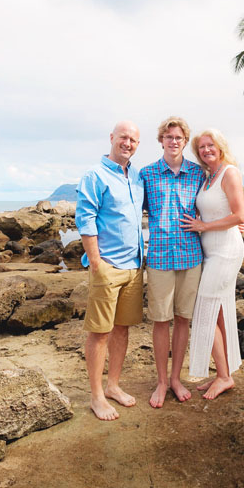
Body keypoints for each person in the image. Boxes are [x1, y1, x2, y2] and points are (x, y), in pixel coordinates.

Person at [75, 121, 144, 421]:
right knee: (100, 333)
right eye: (123, 138)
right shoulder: (95, 175)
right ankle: (97, 396)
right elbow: (86, 219)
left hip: (133, 267)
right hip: (107, 267)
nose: (127, 143)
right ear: (112, 138)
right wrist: (97, 264)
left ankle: (113, 385)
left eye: (133, 140)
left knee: (122, 329)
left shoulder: (137, 177)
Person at [139, 117, 205, 408]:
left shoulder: (197, 173)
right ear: (161, 141)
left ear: (184, 140)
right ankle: (162, 382)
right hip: (160, 259)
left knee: (183, 319)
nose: (174, 141)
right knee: (160, 320)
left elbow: (216, 204)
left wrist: (233, 225)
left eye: (178, 137)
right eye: (168, 137)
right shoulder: (147, 174)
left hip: (191, 256)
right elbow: (129, 209)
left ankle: (176, 378)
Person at [181, 128, 244, 400]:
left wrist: (205, 226)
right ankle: (225, 372)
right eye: (201, 147)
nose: (206, 150)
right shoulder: (208, 177)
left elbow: (239, 214)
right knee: (218, 313)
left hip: (226, 252)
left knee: (204, 313)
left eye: (210, 145)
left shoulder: (229, 172)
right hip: (210, 252)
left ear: (220, 146)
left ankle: (223, 376)